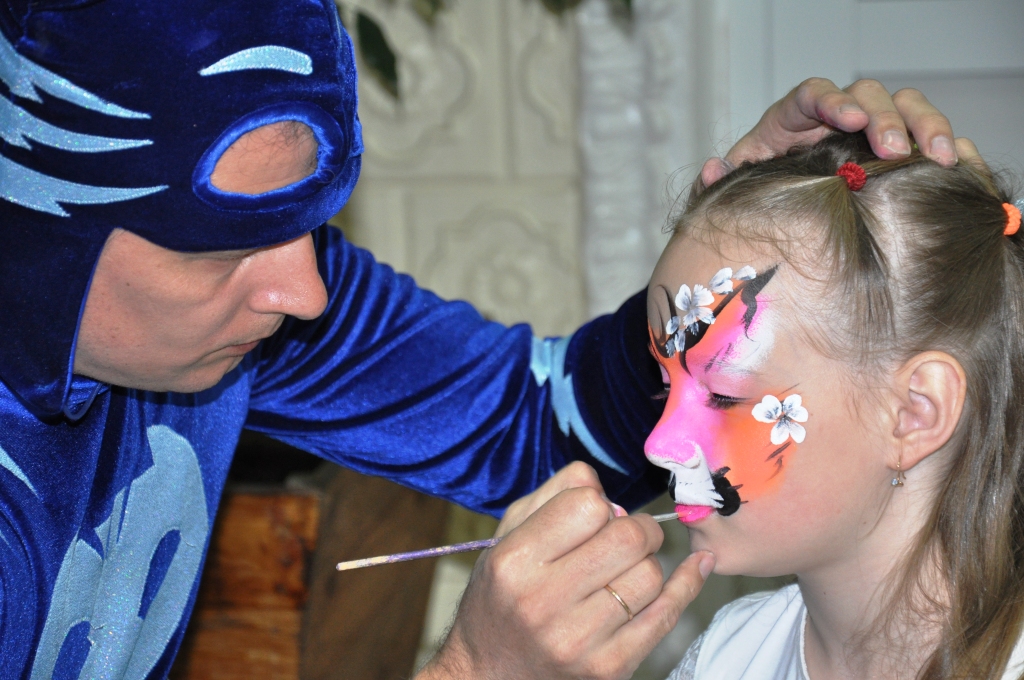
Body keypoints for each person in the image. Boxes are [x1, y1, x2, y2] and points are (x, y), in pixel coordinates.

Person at [0, 0, 967, 677]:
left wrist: (720, 292)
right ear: (40, 231)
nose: (306, 294)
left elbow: (535, 424)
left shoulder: (259, 308)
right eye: (226, 248)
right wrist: (474, 670)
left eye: (309, 227)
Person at [638, 131, 1024, 679]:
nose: (657, 445)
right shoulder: (727, 656)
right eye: (663, 386)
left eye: (724, 394)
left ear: (914, 413)